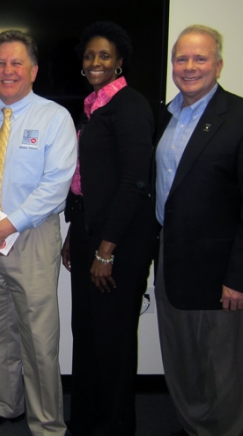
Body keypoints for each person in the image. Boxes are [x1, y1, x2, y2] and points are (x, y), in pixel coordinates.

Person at [155, 25, 243, 436]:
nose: (189, 67)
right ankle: (194, 427)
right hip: (171, 264)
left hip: (222, 274)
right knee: (182, 362)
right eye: (181, 58)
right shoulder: (165, 117)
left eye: (200, 58)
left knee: (225, 371)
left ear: (219, 65)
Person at [0, 30, 77, 436]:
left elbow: (56, 184)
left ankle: (47, 424)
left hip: (31, 238)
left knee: (38, 338)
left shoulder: (54, 118)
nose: (7, 71)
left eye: (16, 63)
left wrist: (5, 225)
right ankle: (5, 403)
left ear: (33, 71)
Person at [61, 22, 156, 436]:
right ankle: (86, 419)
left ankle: (114, 426)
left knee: (112, 339)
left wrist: (105, 250)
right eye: (89, 55)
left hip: (118, 242)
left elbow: (135, 181)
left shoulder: (130, 105)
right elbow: (87, 179)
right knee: (86, 331)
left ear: (119, 62)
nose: (95, 61)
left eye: (104, 55)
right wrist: (73, 233)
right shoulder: (94, 107)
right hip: (87, 231)